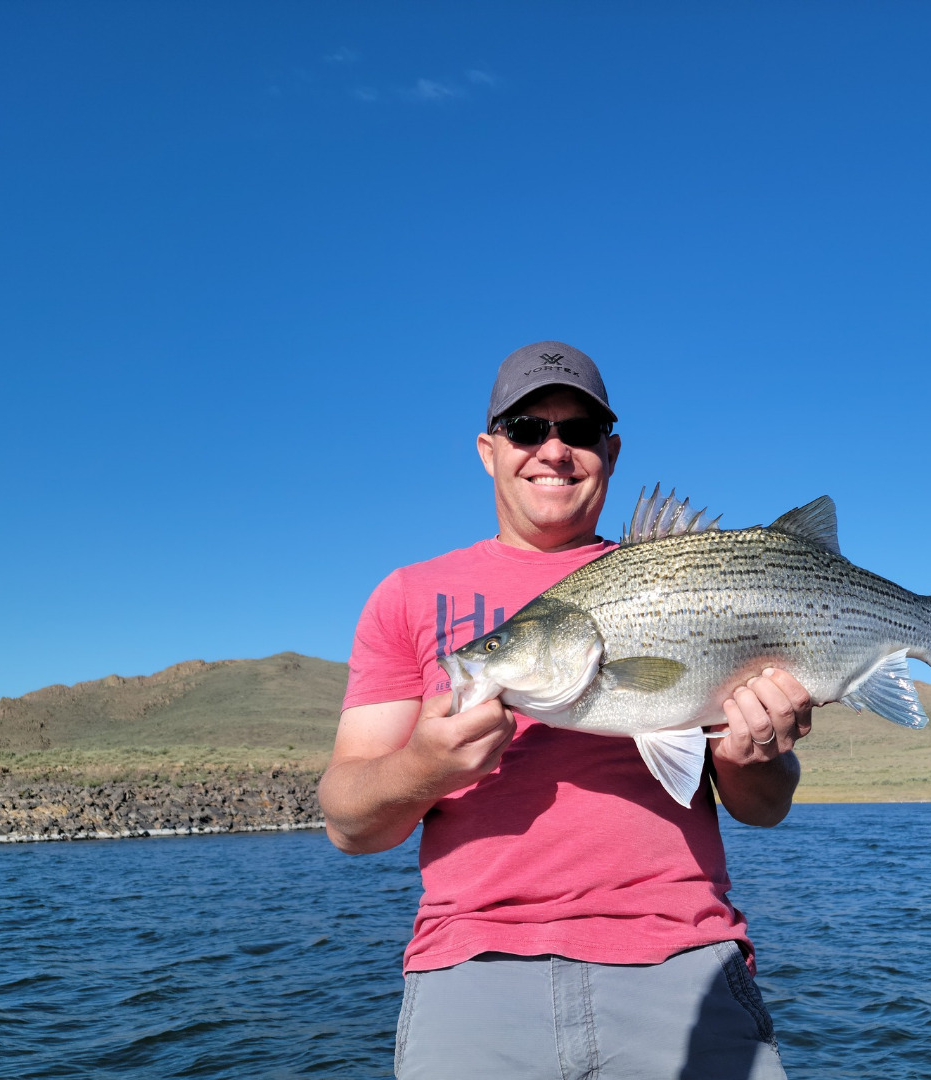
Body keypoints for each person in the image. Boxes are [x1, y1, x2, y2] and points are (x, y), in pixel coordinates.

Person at [318, 341, 812, 1079]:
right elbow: (347, 822)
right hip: (472, 972)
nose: (553, 449)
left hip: (684, 960)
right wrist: (423, 766)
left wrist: (753, 755)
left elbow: (764, 808)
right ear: (489, 450)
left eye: (578, 432)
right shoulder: (406, 596)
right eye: (526, 427)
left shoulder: (697, 579)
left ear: (609, 453)